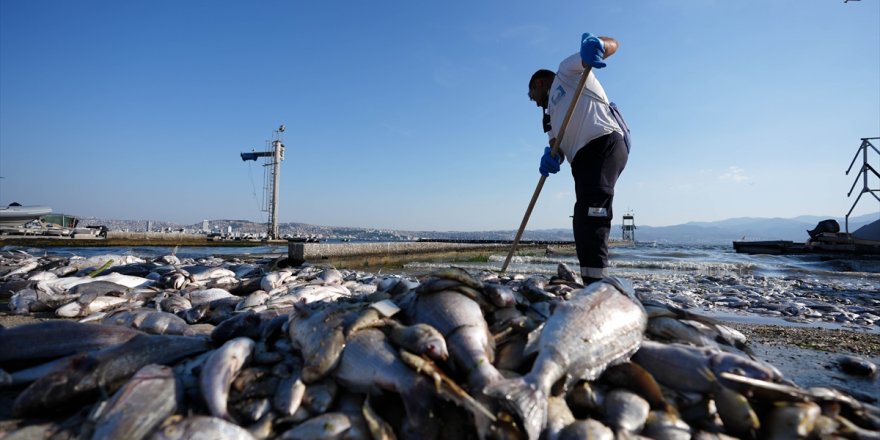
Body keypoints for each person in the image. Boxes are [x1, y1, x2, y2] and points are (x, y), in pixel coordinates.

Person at [528, 33, 626, 285]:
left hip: (603, 143)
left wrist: (600, 45)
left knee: (592, 214)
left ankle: (597, 290)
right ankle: (592, 283)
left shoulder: (565, 73)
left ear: (539, 82)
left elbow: (612, 44)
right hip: (582, 162)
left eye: (531, 93)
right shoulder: (549, 117)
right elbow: (556, 147)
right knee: (583, 219)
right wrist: (552, 157)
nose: (533, 100)